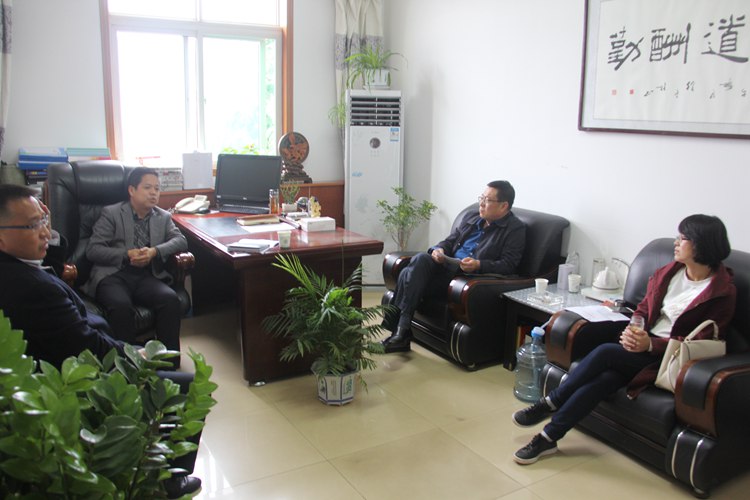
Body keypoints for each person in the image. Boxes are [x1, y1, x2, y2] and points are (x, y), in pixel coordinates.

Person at [0, 184, 201, 497]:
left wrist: (153, 252)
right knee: (183, 385)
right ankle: (167, 482)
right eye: (32, 225)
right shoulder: (32, 288)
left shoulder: (17, 265)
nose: (44, 231)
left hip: (112, 312)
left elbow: (51, 268)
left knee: (167, 302)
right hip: (75, 369)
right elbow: (85, 346)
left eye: (43, 220)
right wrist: (133, 354)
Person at [511, 214, 736, 465]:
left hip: (670, 358)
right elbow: (643, 308)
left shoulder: (721, 292)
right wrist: (634, 330)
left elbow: (703, 339)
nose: (676, 242)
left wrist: (650, 344)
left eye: (683, 238)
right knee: (604, 381)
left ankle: (551, 401)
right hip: (642, 346)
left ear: (701, 245)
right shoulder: (669, 273)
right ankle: (548, 438)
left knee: (606, 352)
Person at [382, 180, 526, 353]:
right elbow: (450, 241)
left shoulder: (515, 229)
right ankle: (402, 331)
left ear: (504, 206)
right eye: (481, 198)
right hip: (446, 267)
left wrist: (478, 265)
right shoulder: (472, 217)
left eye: (487, 200)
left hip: (464, 280)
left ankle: (401, 332)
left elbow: (509, 265)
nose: (481, 203)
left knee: (407, 273)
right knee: (421, 259)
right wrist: (438, 250)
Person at [83, 167, 188, 358]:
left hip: (146, 276)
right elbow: (93, 250)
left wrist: (155, 251)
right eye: (147, 187)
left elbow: (180, 240)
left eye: (157, 188)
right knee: (121, 306)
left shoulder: (163, 217)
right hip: (113, 275)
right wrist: (126, 254)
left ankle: (168, 361)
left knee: (170, 299)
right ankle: (129, 362)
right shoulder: (112, 213)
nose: (153, 193)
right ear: (132, 190)